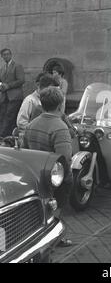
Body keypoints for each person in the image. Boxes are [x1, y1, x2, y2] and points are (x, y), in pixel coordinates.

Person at [22, 86, 73, 247]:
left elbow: (25, 151)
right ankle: (56, 238)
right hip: (54, 177)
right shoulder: (60, 127)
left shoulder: (32, 124)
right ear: (60, 105)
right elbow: (64, 158)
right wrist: (68, 178)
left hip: (36, 174)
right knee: (57, 207)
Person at [0, 48, 25, 137]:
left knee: (9, 116)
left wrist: (8, 86)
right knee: (2, 116)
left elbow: (21, 80)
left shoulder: (17, 66)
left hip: (15, 97)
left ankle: (3, 136)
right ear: (1, 56)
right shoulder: (2, 68)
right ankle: (5, 136)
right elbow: (1, 81)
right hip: (4, 97)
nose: (6, 56)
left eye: (8, 54)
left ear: (11, 55)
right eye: (4, 55)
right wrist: (1, 86)